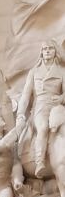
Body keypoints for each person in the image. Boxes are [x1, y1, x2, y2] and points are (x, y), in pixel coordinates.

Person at [17, 41, 65, 177]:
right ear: (41, 52)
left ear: (55, 51)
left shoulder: (62, 71)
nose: (47, 51)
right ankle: (40, 162)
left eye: (50, 48)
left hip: (57, 106)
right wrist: (21, 114)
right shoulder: (35, 72)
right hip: (41, 107)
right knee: (43, 127)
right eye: (45, 49)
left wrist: (61, 98)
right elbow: (26, 95)